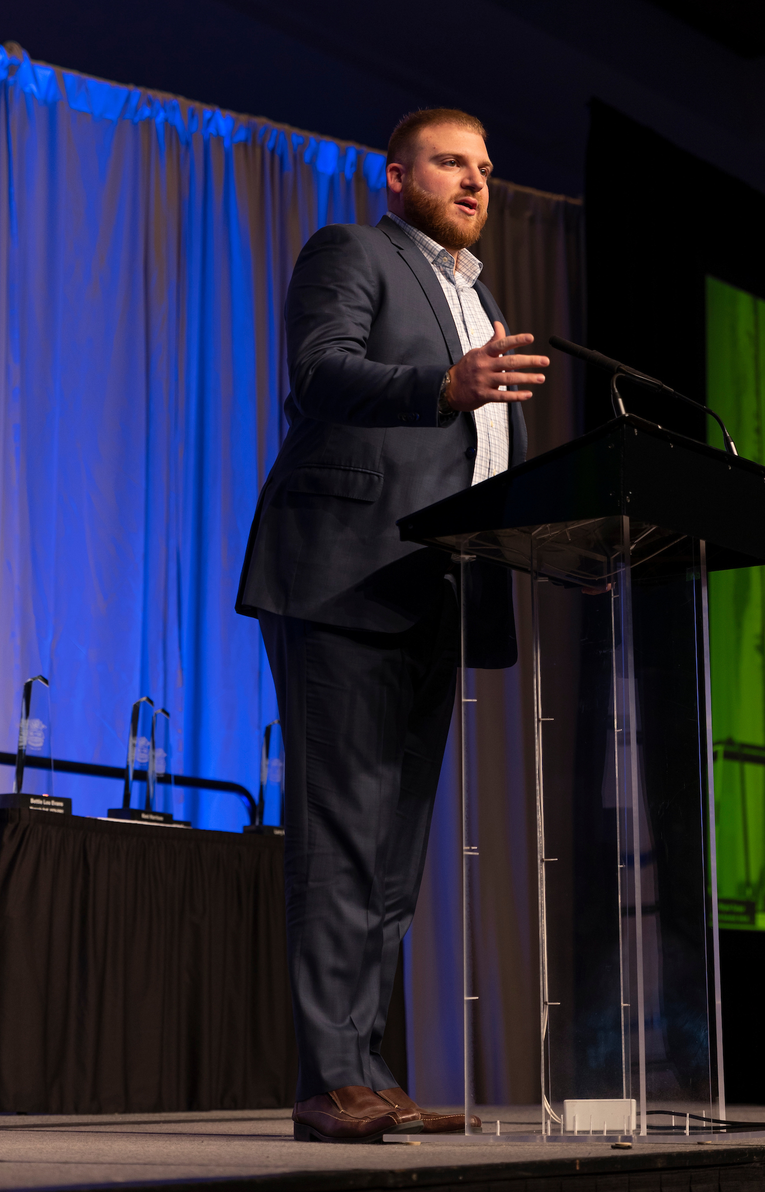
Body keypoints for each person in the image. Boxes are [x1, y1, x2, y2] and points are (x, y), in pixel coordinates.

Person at [236, 108, 550, 1143]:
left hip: (438, 589)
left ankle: (370, 1067)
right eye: (452, 163)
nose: (473, 183)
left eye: (486, 170)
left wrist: (557, 544)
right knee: (340, 834)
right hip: (344, 577)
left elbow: (482, 457)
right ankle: (331, 1076)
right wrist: (441, 383)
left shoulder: (476, 293)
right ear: (396, 173)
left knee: (392, 855)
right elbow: (318, 372)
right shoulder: (353, 250)